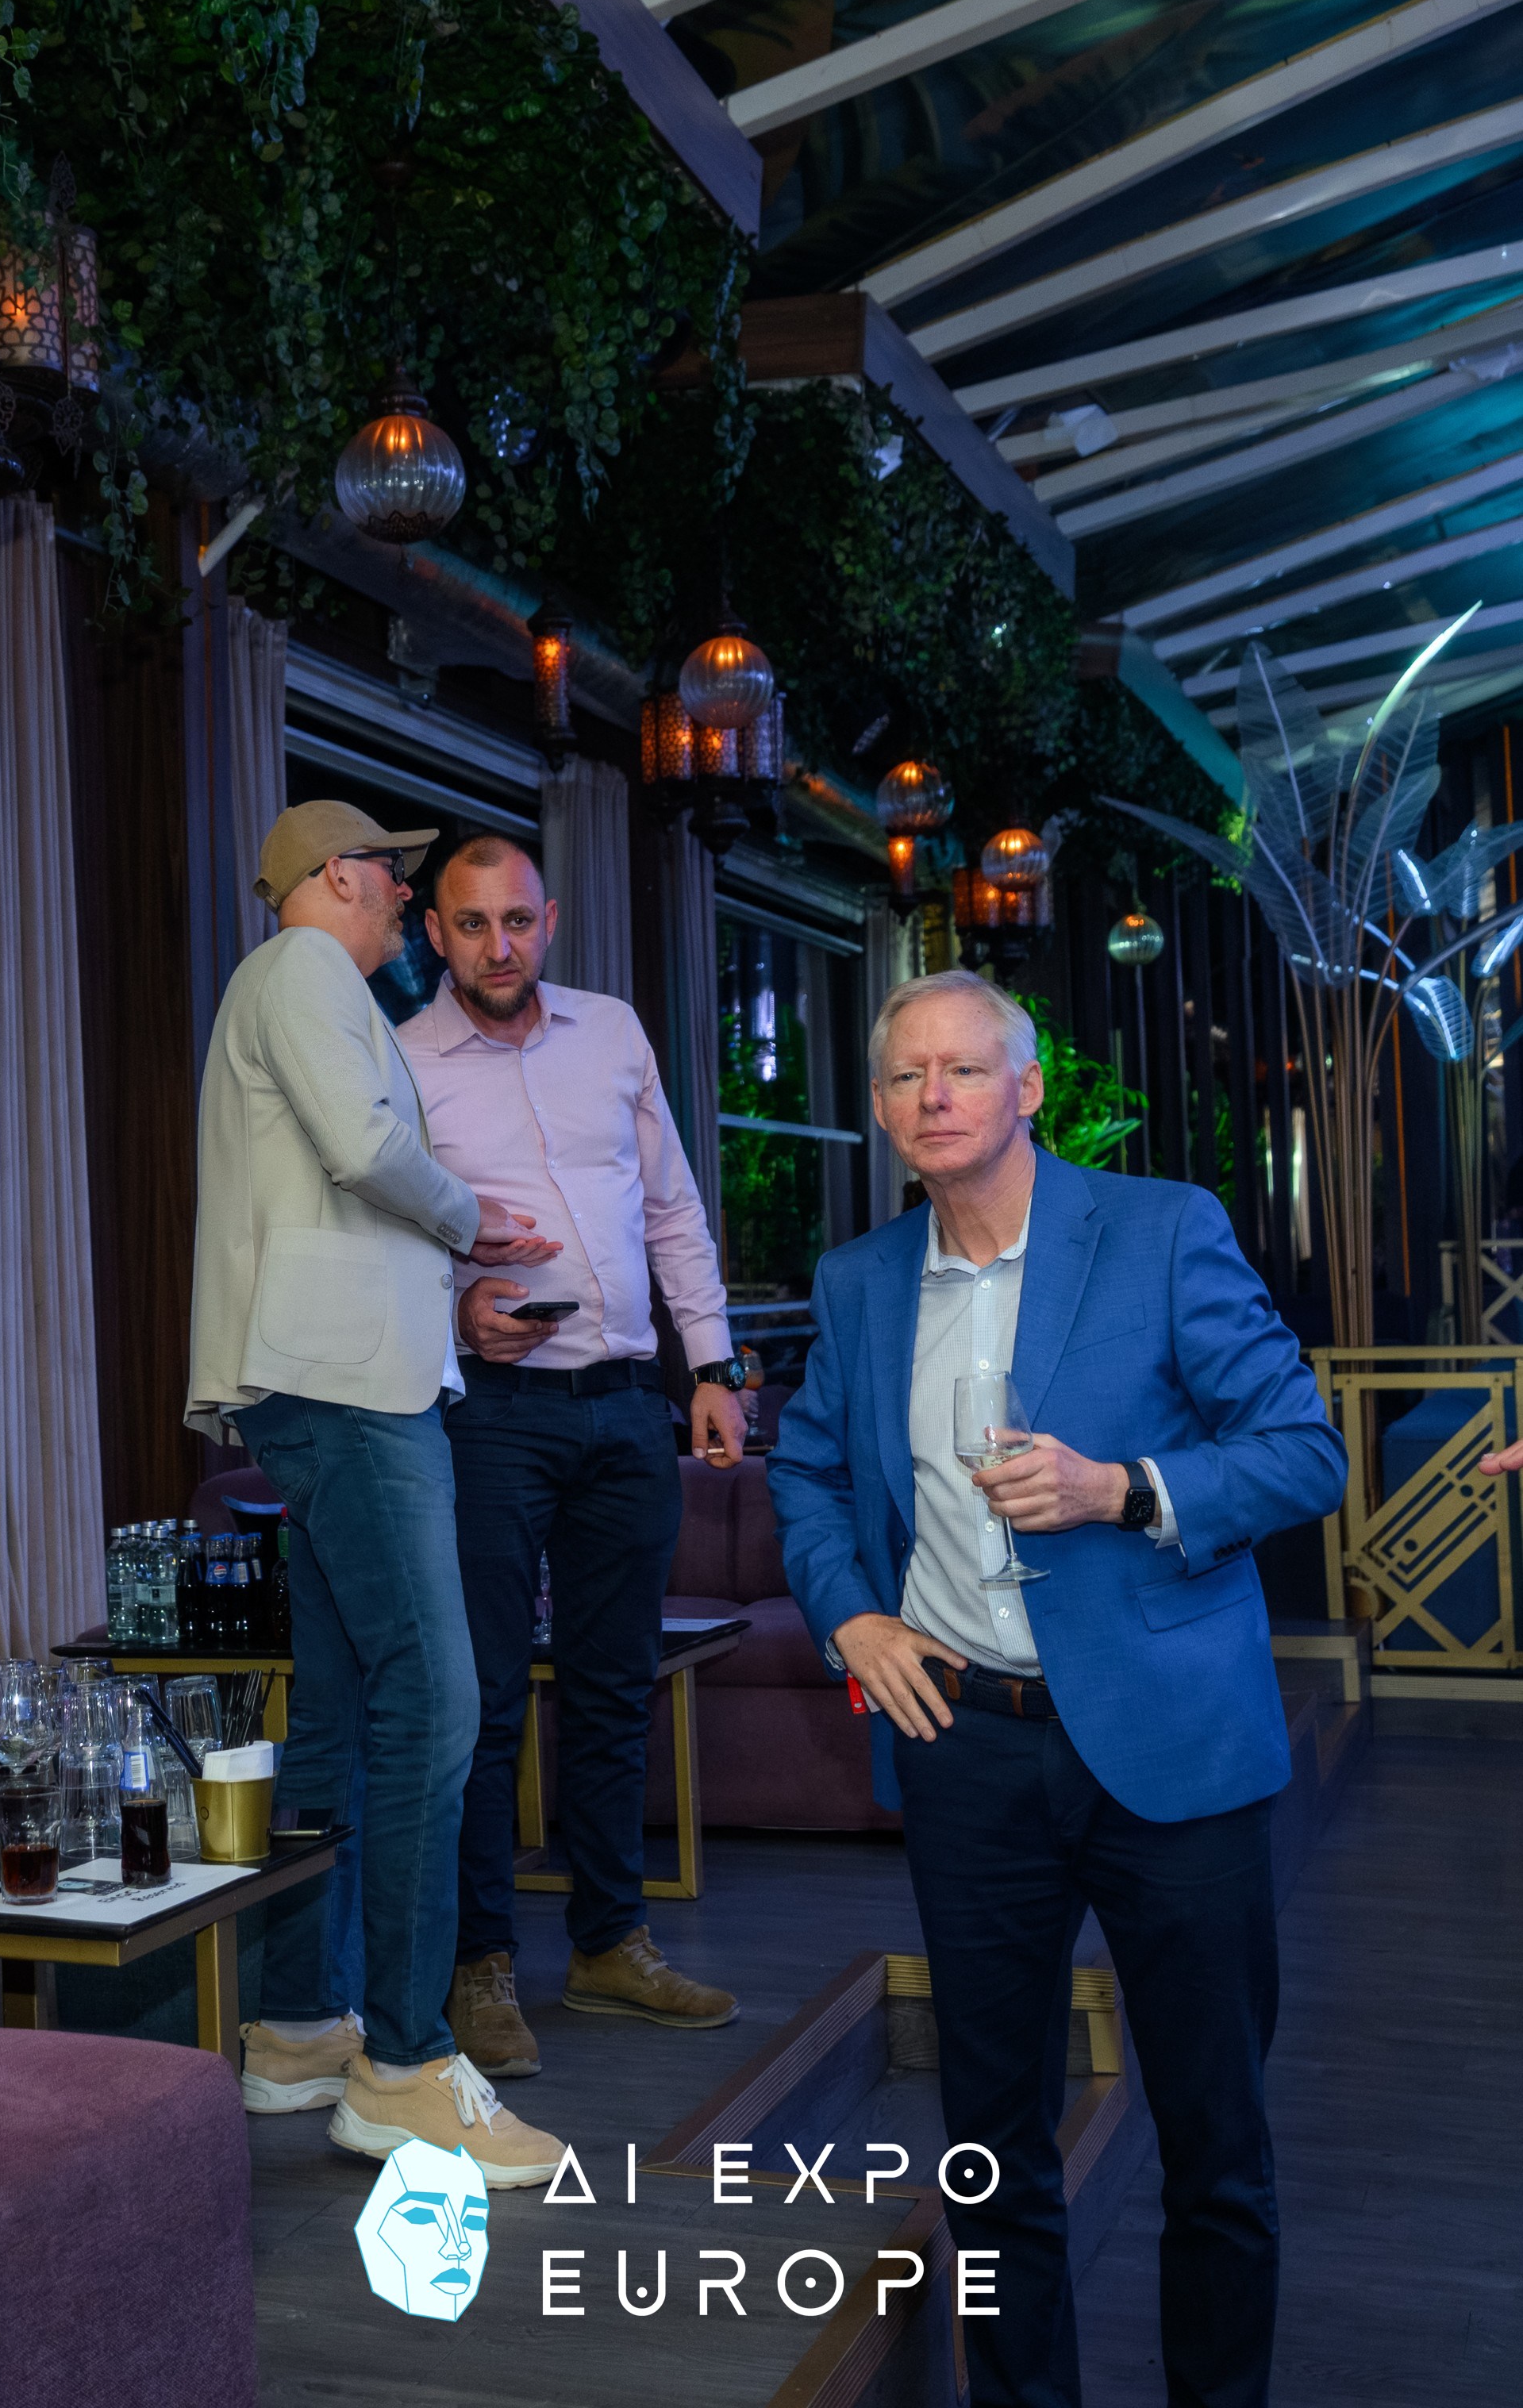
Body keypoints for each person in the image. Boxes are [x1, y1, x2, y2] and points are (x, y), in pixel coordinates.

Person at [768, 967, 1348, 2408]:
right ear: (881, 1106)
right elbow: (809, 1472)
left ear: (1026, 1089)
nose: (935, 1096)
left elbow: (1302, 1451)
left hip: (1169, 1744)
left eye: (965, 1069)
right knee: (990, 2150)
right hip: (963, 1746)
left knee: (1214, 2146)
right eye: (907, 1076)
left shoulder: (1160, 1230)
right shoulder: (858, 1281)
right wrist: (851, 1619)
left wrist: (1123, 1489)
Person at [185, 799, 565, 2187]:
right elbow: (361, 1148)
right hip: (345, 1384)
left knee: (343, 1714)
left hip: (333, 1373)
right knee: (437, 1701)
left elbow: (335, 1167)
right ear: (339, 876)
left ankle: (298, 2028)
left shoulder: (294, 983)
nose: (406, 900)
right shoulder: (301, 968)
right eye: (396, 880)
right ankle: (403, 2067)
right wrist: (477, 1223)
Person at [400, 833, 745, 2077]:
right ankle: (479, 1965)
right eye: (471, 924)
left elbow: (670, 1208)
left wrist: (711, 1367)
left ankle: (608, 1943)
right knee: (487, 1699)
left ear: (548, 921)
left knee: (612, 1687)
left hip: (626, 1406)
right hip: (489, 1414)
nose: (498, 946)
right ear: (433, 935)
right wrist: (456, 1313)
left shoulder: (611, 1032)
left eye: (517, 921)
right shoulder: (400, 1063)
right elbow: (378, 1239)